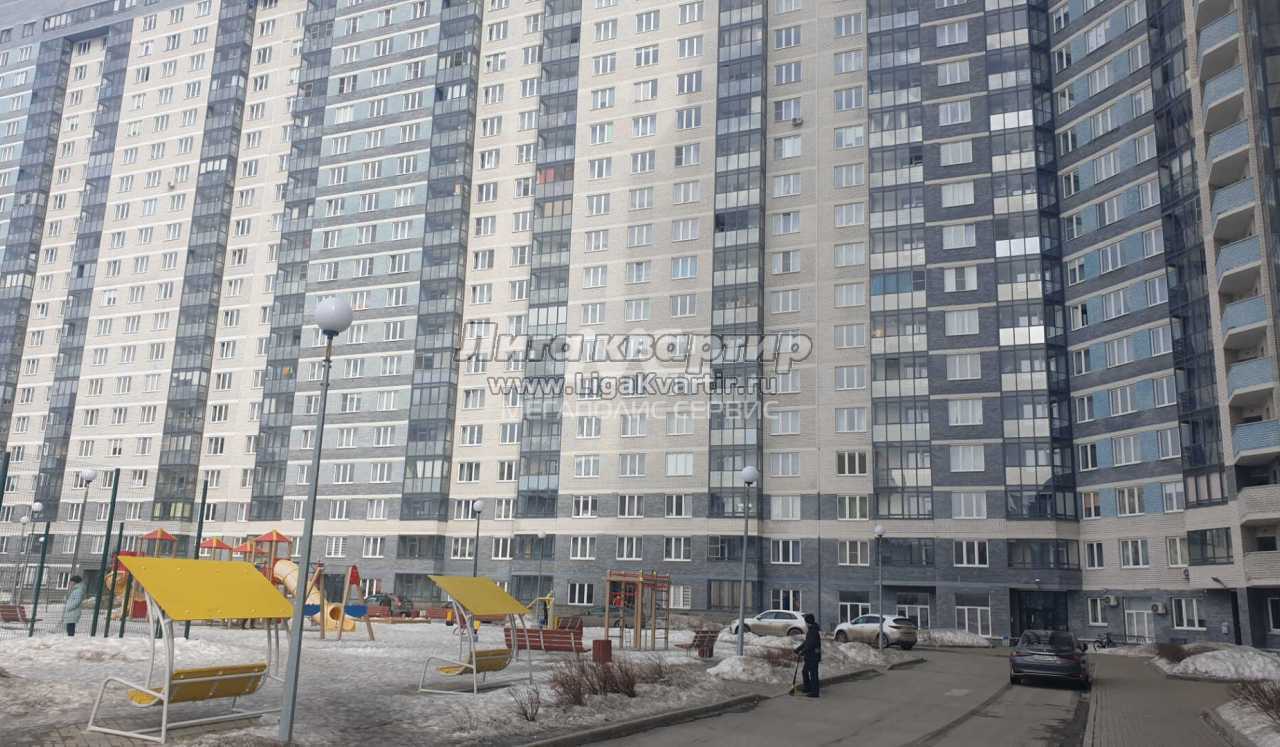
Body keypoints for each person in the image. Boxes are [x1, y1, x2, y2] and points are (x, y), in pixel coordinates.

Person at [794, 612, 822, 698]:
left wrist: (802, 652)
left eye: (805, 622)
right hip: (810, 656)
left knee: (813, 674)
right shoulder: (811, 630)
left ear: (808, 622)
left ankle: (815, 692)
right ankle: (808, 688)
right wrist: (798, 649)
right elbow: (807, 642)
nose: (805, 623)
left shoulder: (813, 631)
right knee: (805, 671)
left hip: (813, 656)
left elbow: (810, 645)